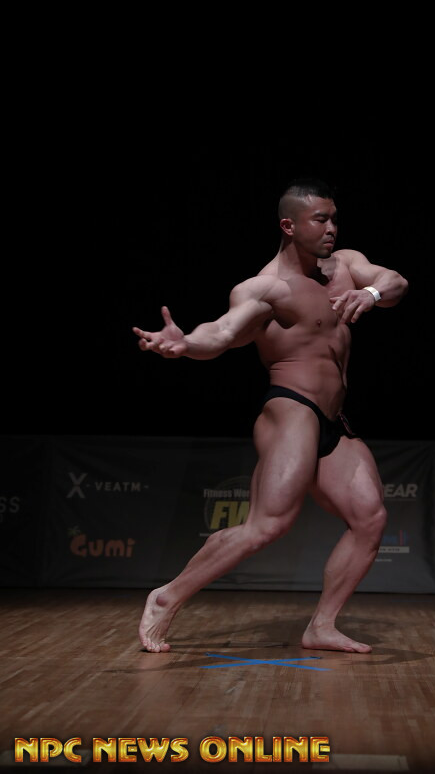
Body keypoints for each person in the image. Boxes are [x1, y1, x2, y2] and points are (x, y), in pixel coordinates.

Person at [133, 178, 408, 653]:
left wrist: (371, 295)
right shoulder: (267, 288)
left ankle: (321, 626)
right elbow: (223, 332)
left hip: (333, 418)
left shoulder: (346, 266)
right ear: (289, 225)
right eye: (320, 219)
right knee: (269, 524)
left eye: (334, 219)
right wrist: (186, 344)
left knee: (369, 517)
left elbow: (396, 282)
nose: (331, 228)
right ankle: (166, 597)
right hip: (292, 408)